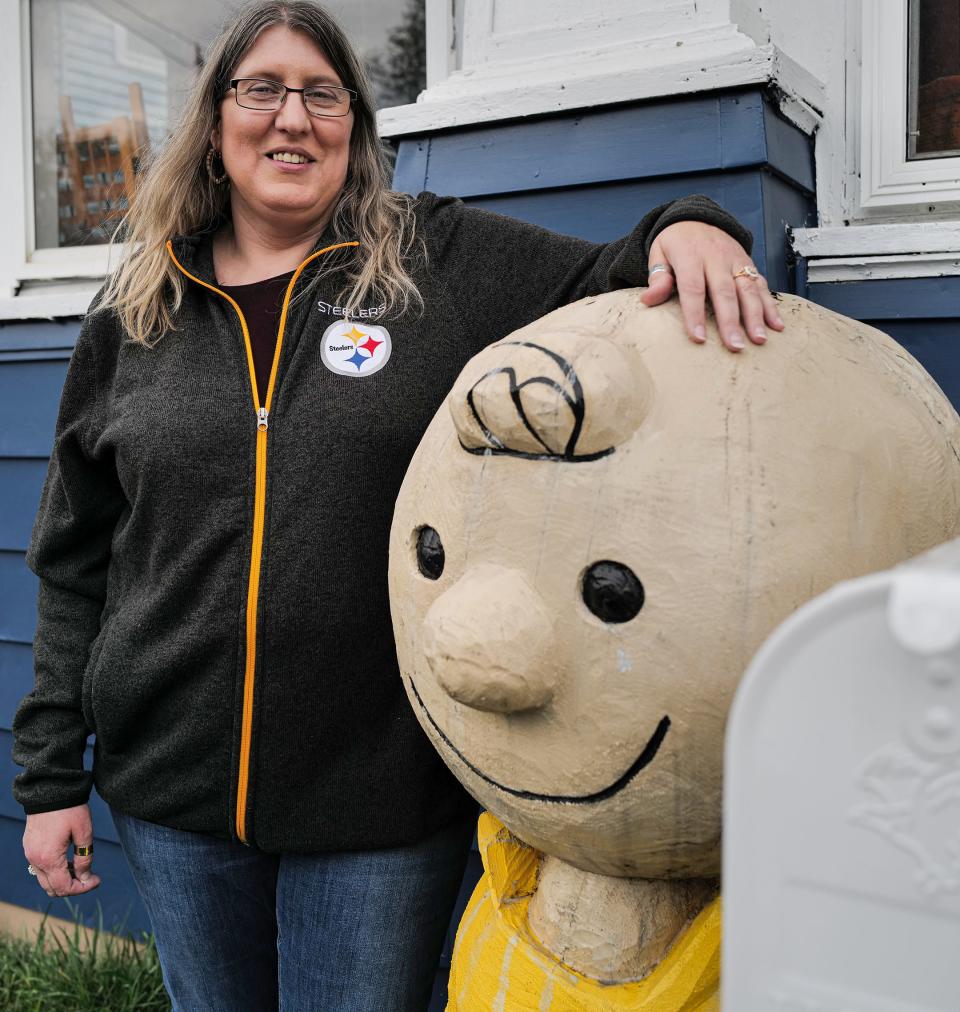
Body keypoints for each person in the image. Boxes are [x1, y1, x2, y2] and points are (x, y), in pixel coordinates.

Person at [11, 2, 784, 1009]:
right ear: (214, 122)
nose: (293, 117)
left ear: (354, 128)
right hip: (171, 796)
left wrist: (693, 225)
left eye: (322, 94)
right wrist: (49, 780)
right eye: (263, 89)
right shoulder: (137, 314)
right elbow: (74, 564)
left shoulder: (434, 263)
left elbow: (614, 270)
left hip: (377, 800)